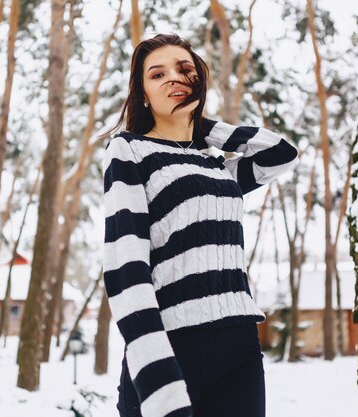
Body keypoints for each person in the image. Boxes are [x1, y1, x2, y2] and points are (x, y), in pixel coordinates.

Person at [101, 33, 299, 417]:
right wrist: (158, 379)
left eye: (185, 70)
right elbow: (126, 267)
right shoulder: (129, 150)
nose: (173, 78)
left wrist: (200, 124)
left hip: (239, 344)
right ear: (142, 94)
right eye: (157, 75)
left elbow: (282, 154)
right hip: (170, 347)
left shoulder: (216, 167)